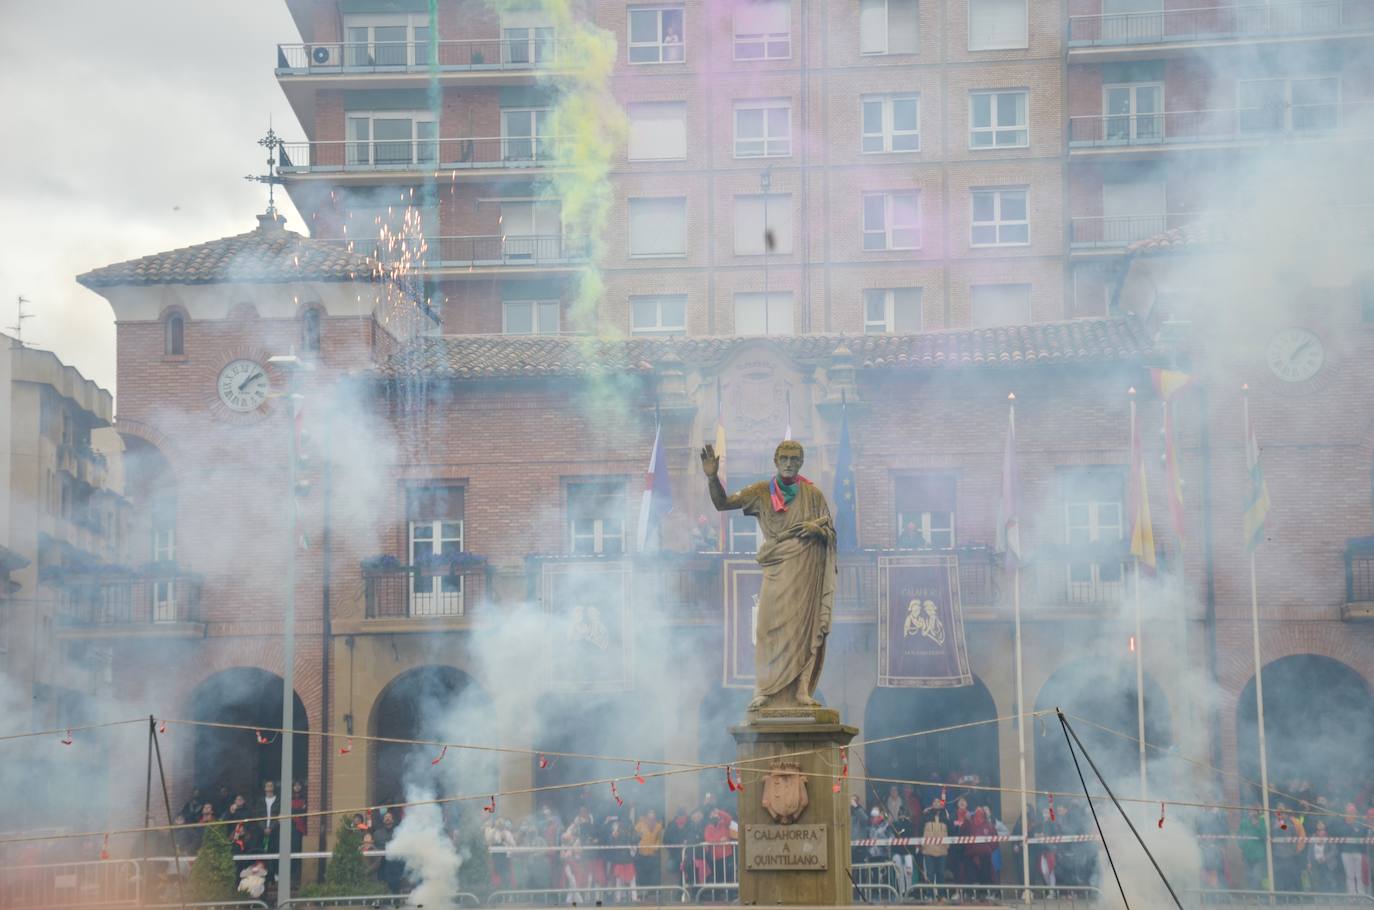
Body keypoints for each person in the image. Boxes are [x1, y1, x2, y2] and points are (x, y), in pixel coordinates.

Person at [701, 440, 836, 712]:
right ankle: (765, 689)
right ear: (775, 461)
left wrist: (816, 530)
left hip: (806, 571)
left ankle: (801, 690)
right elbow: (722, 503)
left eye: (795, 458)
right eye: (784, 458)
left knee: (806, 629)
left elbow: (831, 533)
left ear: (801, 462)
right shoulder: (762, 492)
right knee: (766, 629)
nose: (789, 463)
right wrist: (713, 477)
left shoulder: (814, 495)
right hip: (777, 569)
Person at [1334, 803, 1367, 896]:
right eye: (1349, 812)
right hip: (1346, 852)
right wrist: (1349, 824)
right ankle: (1351, 895)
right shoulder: (1342, 824)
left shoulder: (1360, 824)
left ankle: (1361, 894)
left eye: (1353, 812)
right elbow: (1341, 834)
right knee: (1350, 875)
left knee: (1359, 875)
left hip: (1358, 852)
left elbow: (1362, 835)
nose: (1352, 814)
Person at [922, 806, 949, 900]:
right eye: (934, 802)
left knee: (941, 874)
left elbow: (950, 832)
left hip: (942, 851)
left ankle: (941, 895)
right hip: (928, 851)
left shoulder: (945, 818)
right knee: (930, 874)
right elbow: (920, 830)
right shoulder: (925, 817)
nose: (936, 804)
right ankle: (929, 895)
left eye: (938, 802)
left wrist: (947, 846)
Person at [1237, 807, 1267, 891]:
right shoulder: (1244, 822)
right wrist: (1242, 846)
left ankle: (1258, 894)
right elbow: (1239, 836)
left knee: (1257, 876)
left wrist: (1257, 825)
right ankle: (1252, 895)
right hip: (1247, 854)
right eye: (1251, 811)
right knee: (1248, 875)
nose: (1252, 813)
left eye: (1254, 811)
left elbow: (1264, 835)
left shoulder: (1261, 821)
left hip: (1258, 855)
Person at [635, 808, 663, 888]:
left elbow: (659, 838)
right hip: (641, 853)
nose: (651, 814)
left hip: (653, 854)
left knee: (653, 872)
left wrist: (657, 845)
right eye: (650, 812)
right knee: (642, 873)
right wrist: (638, 843)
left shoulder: (658, 826)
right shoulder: (639, 825)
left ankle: (652, 890)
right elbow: (634, 836)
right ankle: (643, 890)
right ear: (646, 814)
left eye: (653, 812)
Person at [1310, 820, 1341, 892]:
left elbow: (1334, 850)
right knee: (1317, 881)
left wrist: (1325, 857)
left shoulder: (1329, 838)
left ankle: (1332, 898)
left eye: (1322, 830)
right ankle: (1319, 898)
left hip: (1327, 863)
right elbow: (1309, 852)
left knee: (1330, 880)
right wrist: (1309, 862)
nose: (1320, 831)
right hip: (1316, 863)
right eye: (1318, 830)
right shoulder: (1312, 838)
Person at [290, 781, 307, 883]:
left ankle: (297, 876)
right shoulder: (289, 798)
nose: (297, 787)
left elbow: (304, 811)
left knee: (299, 851)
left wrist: (299, 810)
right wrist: (300, 810)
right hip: (291, 828)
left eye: (298, 785)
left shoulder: (305, 798)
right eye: (295, 785)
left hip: (301, 828)